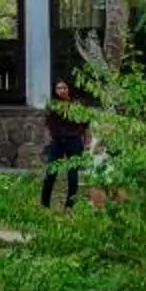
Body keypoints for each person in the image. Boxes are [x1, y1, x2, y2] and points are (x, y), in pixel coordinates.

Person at [39, 80, 89, 209]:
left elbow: (85, 124)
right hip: (57, 143)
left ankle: (69, 207)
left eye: (64, 87)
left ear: (69, 89)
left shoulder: (78, 104)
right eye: (58, 88)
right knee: (50, 174)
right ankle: (44, 205)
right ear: (55, 90)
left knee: (72, 176)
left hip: (74, 142)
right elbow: (48, 124)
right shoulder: (52, 105)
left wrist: (86, 141)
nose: (61, 90)